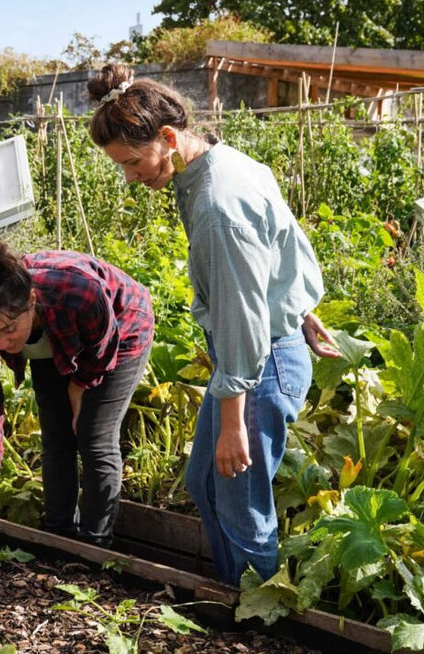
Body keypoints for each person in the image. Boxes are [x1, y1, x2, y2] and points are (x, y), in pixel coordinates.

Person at [86, 63, 340, 585]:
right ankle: (234, 597)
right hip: (264, 346)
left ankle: (258, 620)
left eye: (133, 162)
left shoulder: (217, 205)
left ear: (167, 136)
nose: (131, 177)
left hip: (257, 364)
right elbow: (279, 242)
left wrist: (232, 425)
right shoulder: (219, 163)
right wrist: (297, 305)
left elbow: (242, 325)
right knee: (205, 483)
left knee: (241, 505)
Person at [0, 239, 154, 548]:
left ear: (32, 300)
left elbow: (103, 347)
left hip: (123, 327)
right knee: (56, 435)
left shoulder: (76, 292)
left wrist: (80, 385)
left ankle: (95, 545)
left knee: (94, 436)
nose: (0, 343)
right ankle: (58, 537)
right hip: (53, 342)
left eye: (8, 330)